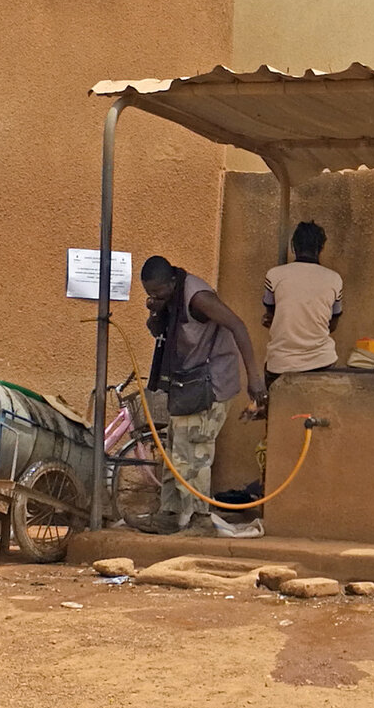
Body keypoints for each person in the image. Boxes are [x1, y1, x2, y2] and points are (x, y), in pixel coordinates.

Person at [139, 255, 266, 535]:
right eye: (150, 293)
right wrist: (156, 310)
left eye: (159, 292)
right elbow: (156, 331)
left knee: (194, 452)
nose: (154, 296)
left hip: (211, 384)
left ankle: (199, 519)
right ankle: (169, 514)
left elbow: (238, 326)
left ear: (173, 281)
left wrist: (254, 378)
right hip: (186, 384)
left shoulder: (198, 298)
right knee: (174, 450)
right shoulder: (168, 299)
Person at [262, 221, 343, 387]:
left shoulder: (274, 275)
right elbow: (332, 325)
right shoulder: (334, 279)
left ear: (294, 247)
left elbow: (270, 315)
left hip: (280, 364)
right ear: (321, 248)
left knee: (277, 411)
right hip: (322, 361)